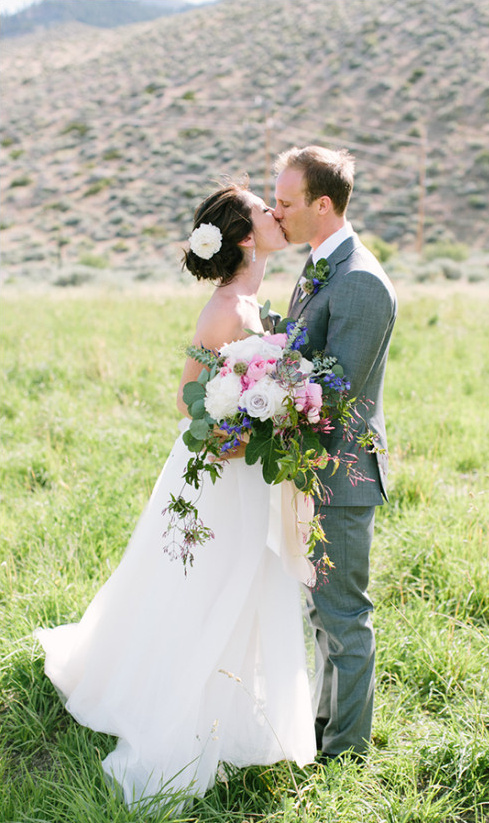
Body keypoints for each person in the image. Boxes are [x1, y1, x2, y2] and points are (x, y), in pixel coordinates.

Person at [35, 183, 316, 809]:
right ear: (245, 238)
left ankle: (232, 697)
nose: (277, 215)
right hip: (216, 473)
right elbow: (190, 399)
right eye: (265, 212)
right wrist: (238, 437)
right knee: (205, 582)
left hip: (243, 469)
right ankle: (174, 700)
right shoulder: (224, 309)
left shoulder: (251, 300)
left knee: (241, 581)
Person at [273, 146, 397, 760]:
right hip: (311, 470)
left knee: (344, 616)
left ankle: (346, 751)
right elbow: (305, 347)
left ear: (323, 205)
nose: (277, 212)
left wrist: (263, 393)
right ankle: (324, 727)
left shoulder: (361, 281)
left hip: (341, 475)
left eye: (286, 202)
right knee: (321, 613)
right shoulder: (321, 266)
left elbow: (334, 394)